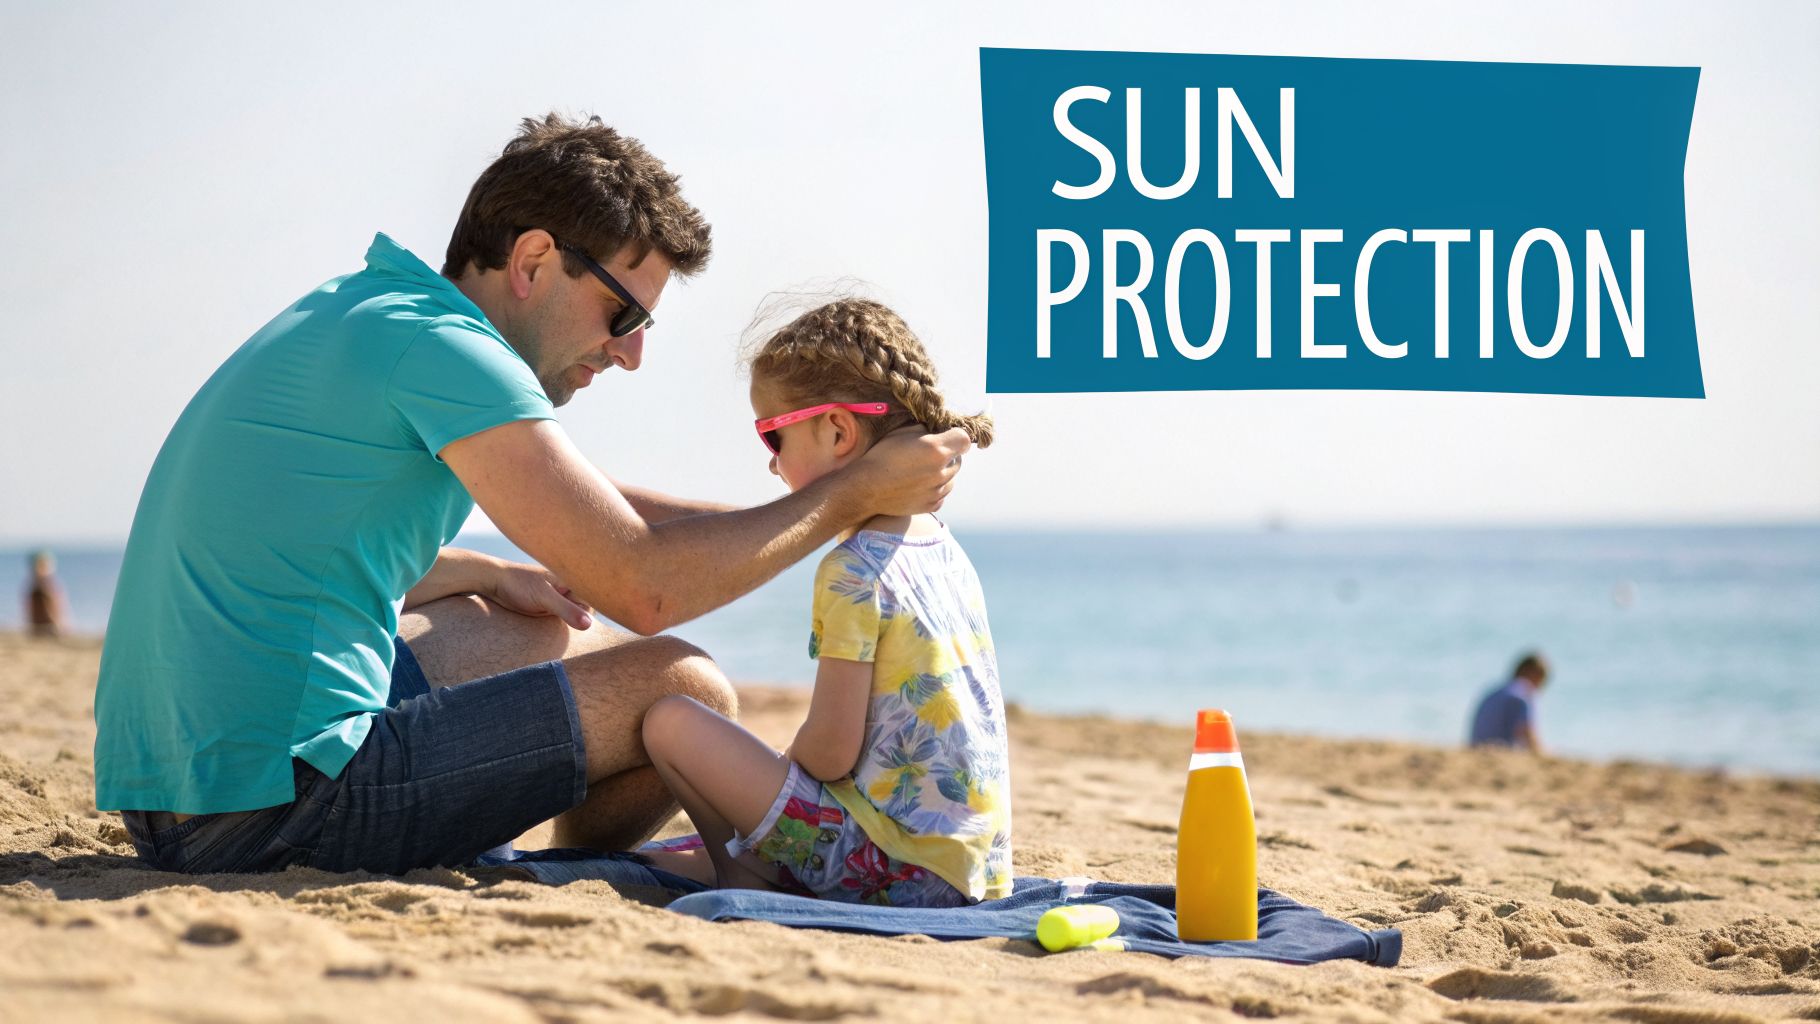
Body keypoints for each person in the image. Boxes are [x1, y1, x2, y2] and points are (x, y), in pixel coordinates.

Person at [92, 114, 971, 876]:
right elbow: (647, 588)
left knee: (530, 621)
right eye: (623, 316)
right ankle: (576, 868)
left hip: (181, 790)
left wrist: (480, 569)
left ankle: (524, 831)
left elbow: (576, 505)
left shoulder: (380, 312)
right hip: (270, 808)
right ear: (535, 261)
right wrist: (853, 493)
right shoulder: (448, 354)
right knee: (689, 688)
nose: (629, 354)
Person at [640, 299, 1011, 907]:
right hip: (974, 872)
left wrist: (779, 769)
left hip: (892, 870)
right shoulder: (945, 549)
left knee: (670, 722)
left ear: (837, 431)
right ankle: (750, 859)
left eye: (773, 434)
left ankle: (744, 872)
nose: (770, 459)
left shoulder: (852, 570)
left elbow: (832, 754)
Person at [1467, 651, 1549, 752]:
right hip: (1496, 750)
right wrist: (1543, 753)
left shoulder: (1497, 692)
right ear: (1533, 674)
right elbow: (1527, 732)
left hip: (1476, 747)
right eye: (1541, 680)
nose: (1540, 688)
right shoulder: (1521, 695)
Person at [24, 550, 70, 638]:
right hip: (45, 628)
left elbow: (60, 609)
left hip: (46, 628)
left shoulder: (43, 586)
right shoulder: (40, 588)